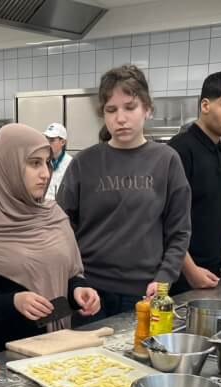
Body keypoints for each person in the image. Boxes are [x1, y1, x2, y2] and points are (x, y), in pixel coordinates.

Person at [57, 64, 191, 321]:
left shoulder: (166, 160)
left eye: (130, 107)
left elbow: (179, 230)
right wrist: (75, 281)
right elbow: (61, 228)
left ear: (147, 109)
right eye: (111, 110)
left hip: (145, 293)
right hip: (90, 294)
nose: (120, 118)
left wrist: (164, 278)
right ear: (103, 114)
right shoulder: (84, 163)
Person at [0, 123, 100, 357]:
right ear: (8, 166)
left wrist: (78, 291)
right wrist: (13, 302)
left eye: (47, 163)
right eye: (34, 163)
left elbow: (66, 277)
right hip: (6, 359)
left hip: (58, 349)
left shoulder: (53, 216)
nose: (45, 174)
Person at [169, 71, 221, 293]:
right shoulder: (179, 150)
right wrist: (191, 271)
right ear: (205, 105)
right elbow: (164, 220)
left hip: (211, 272)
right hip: (180, 275)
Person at [43, 122, 72, 201]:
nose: (47, 144)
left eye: (51, 140)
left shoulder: (71, 164)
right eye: (46, 139)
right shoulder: (42, 161)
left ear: (63, 142)